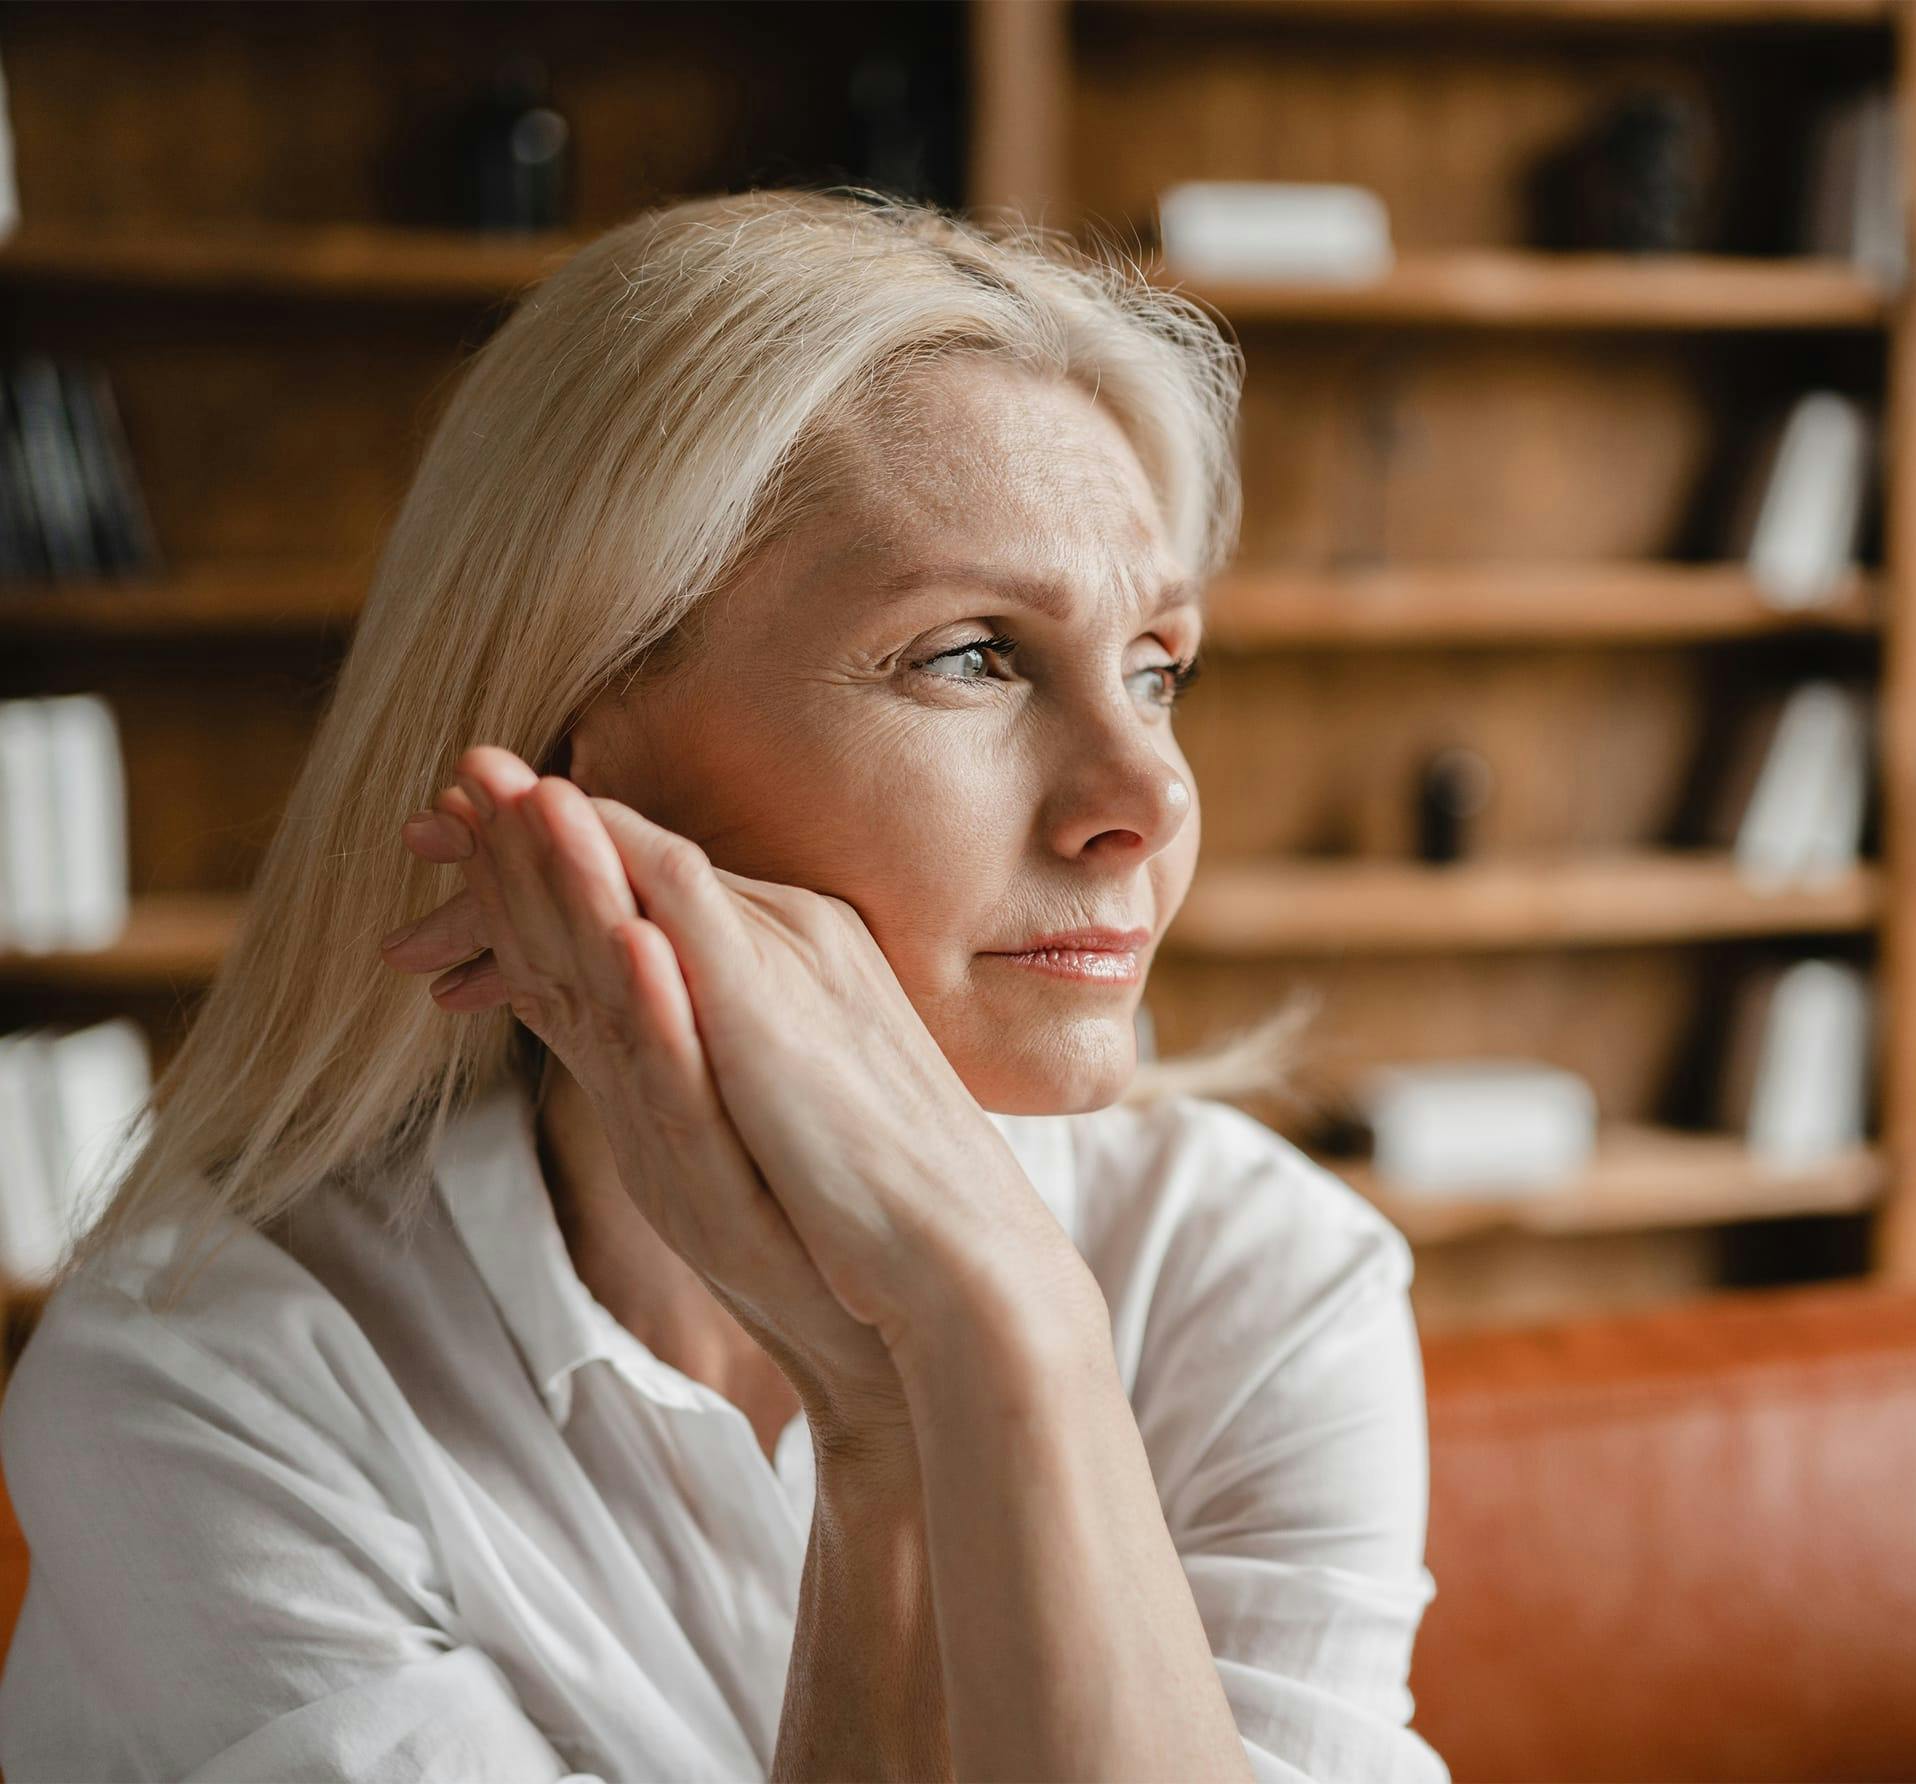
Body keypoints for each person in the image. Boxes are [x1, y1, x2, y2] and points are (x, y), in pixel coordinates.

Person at [0, 187, 1448, 1782]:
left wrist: (1006, 1326)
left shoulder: (1261, 1277)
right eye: (971, 653)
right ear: (576, 757)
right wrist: (896, 1417)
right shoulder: (211, 1384)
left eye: (1158, 667)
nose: (1149, 797)